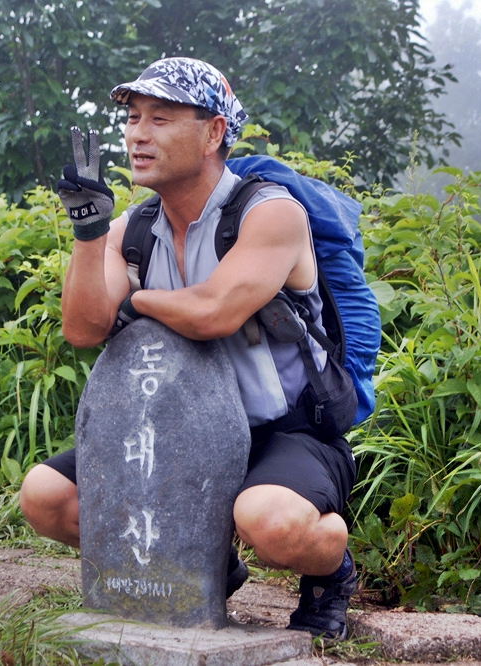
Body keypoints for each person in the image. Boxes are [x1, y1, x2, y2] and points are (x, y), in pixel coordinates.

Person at [19, 57, 358, 641]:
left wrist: (137, 301)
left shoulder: (269, 213)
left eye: (160, 117)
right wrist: (89, 232)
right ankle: (205, 563)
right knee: (45, 497)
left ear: (213, 133)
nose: (137, 133)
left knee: (271, 523)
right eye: (131, 117)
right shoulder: (136, 227)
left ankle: (332, 569)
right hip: (179, 433)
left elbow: (212, 313)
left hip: (283, 431)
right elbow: (82, 327)